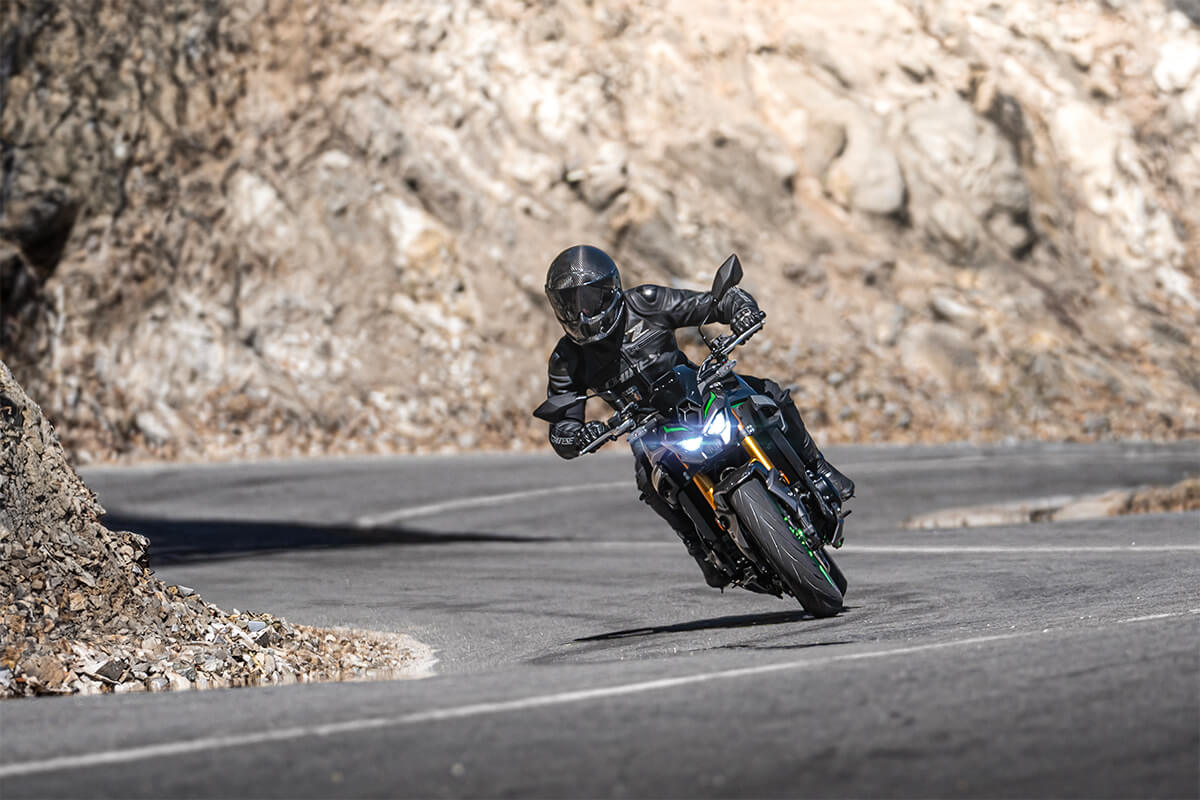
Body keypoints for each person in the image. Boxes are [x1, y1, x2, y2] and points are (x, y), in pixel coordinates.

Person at [540, 244, 854, 588]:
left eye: (589, 300)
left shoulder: (645, 301)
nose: (582, 314)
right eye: (570, 304)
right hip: (648, 429)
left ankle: (819, 469)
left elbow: (715, 302)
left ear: (611, 290)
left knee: (768, 394)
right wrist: (576, 435)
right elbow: (563, 420)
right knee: (650, 482)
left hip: (698, 393)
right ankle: (703, 550)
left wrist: (741, 310)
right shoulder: (566, 359)